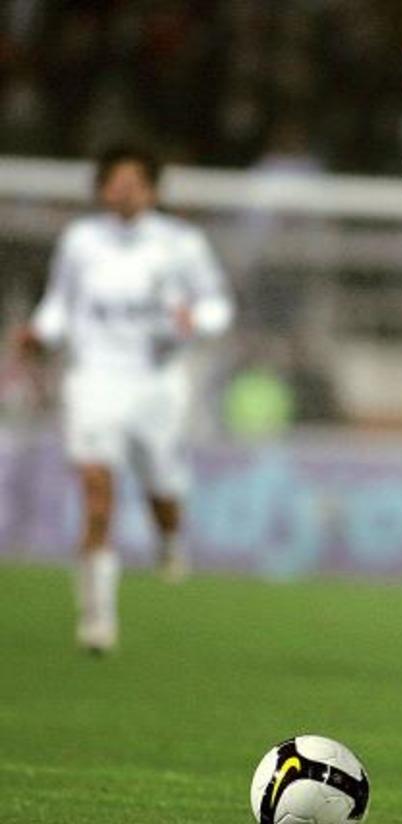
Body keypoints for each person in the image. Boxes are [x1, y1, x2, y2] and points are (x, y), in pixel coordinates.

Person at [15, 143, 234, 653]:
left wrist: (197, 321)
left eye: (133, 182)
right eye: (114, 182)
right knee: (97, 493)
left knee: (162, 488)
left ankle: (170, 537)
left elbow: (218, 305)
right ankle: (98, 620)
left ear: (152, 190)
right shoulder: (81, 241)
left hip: (156, 383)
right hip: (94, 379)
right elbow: (60, 305)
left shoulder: (181, 244)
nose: (122, 190)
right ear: (101, 188)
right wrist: (40, 333)